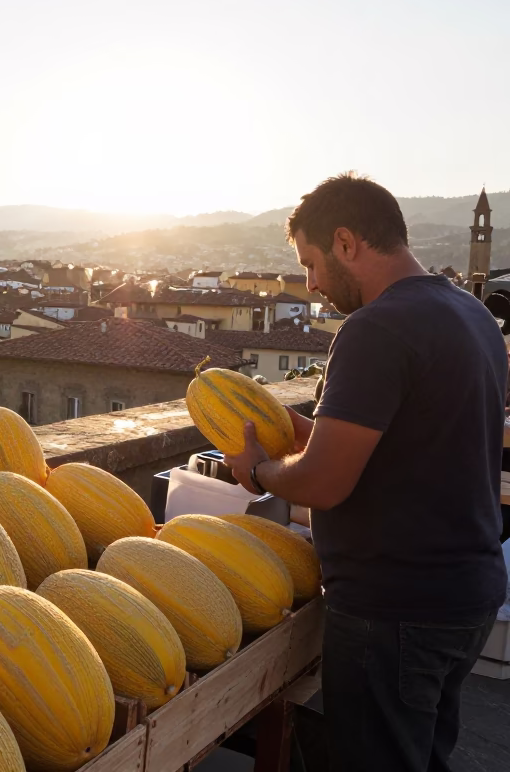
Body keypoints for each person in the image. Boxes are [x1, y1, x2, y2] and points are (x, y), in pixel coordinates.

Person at [223, 173, 507, 772]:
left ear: (347, 242)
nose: (311, 284)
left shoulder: (375, 329)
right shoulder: (471, 314)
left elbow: (326, 483)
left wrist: (261, 470)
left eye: (312, 263)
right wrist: (301, 432)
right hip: (465, 595)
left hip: (396, 610)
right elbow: (401, 439)